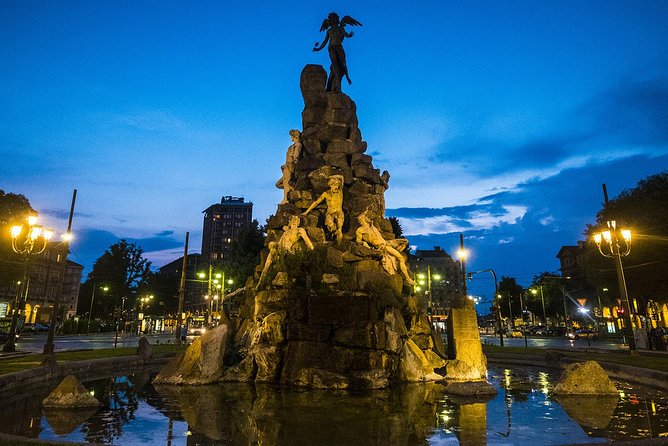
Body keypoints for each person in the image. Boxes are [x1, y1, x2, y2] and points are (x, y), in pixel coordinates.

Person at [255, 215, 314, 290]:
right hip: (280, 249)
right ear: (290, 221)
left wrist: (312, 250)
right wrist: (273, 245)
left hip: (287, 251)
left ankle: (264, 281)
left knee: (273, 252)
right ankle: (260, 283)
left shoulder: (300, 230)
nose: (296, 221)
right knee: (271, 248)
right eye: (294, 219)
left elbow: (307, 241)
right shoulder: (286, 232)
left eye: (297, 220)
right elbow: (279, 242)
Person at [355, 211, 414, 285]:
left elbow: (369, 214)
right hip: (383, 246)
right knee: (401, 258)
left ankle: (395, 254)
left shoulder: (371, 226)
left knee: (405, 241)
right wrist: (364, 244)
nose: (368, 218)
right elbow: (358, 241)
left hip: (387, 242)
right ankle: (407, 278)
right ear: (361, 219)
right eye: (366, 217)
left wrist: (367, 210)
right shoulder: (360, 230)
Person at [313, 12, 362, 92]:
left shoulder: (340, 28)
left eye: (335, 18)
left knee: (343, 64)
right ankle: (338, 87)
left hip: (339, 47)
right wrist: (318, 49)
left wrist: (349, 35)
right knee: (335, 66)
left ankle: (347, 77)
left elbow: (345, 34)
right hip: (331, 48)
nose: (333, 20)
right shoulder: (329, 31)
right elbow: (325, 41)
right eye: (332, 19)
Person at [302, 175, 344, 242]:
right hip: (330, 213)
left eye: (337, 185)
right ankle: (333, 232)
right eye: (334, 185)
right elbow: (316, 203)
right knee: (331, 225)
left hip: (339, 212)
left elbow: (341, 177)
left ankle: (340, 244)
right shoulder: (326, 194)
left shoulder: (340, 191)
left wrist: (331, 176)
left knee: (340, 230)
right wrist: (306, 212)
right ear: (330, 185)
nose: (336, 187)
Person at [276, 130, 302, 205]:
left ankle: (286, 199)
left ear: (294, 136)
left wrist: (291, 165)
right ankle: (291, 190)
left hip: (290, 167)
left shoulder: (298, 145)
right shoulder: (294, 145)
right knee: (278, 184)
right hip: (287, 167)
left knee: (286, 183)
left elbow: (296, 156)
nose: (291, 137)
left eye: (291, 136)